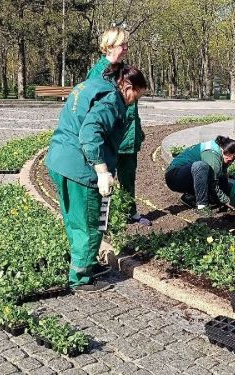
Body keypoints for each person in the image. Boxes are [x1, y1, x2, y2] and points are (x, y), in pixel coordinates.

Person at [45, 65, 148, 292]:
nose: (132, 102)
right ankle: (81, 278)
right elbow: (90, 133)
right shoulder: (112, 99)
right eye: (136, 96)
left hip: (60, 159)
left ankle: (85, 264)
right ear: (127, 86)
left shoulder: (91, 85)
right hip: (80, 168)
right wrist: (102, 171)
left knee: (74, 221)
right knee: (90, 225)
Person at [86, 27, 151, 226]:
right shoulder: (98, 73)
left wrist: (137, 130)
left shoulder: (126, 71)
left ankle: (129, 212)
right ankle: (102, 220)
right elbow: (92, 110)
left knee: (128, 178)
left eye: (126, 44)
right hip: (109, 138)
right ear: (110, 46)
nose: (126, 48)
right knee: (106, 180)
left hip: (128, 138)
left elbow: (132, 105)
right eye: (123, 44)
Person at [165, 136, 235, 217]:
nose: (230, 163)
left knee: (226, 186)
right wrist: (227, 201)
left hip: (189, 175)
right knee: (200, 166)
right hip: (175, 177)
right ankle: (202, 206)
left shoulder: (220, 152)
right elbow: (212, 184)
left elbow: (222, 178)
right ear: (225, 151)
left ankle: (190, 197)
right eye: (230, 160)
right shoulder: (213, 156)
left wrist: (230, 196)